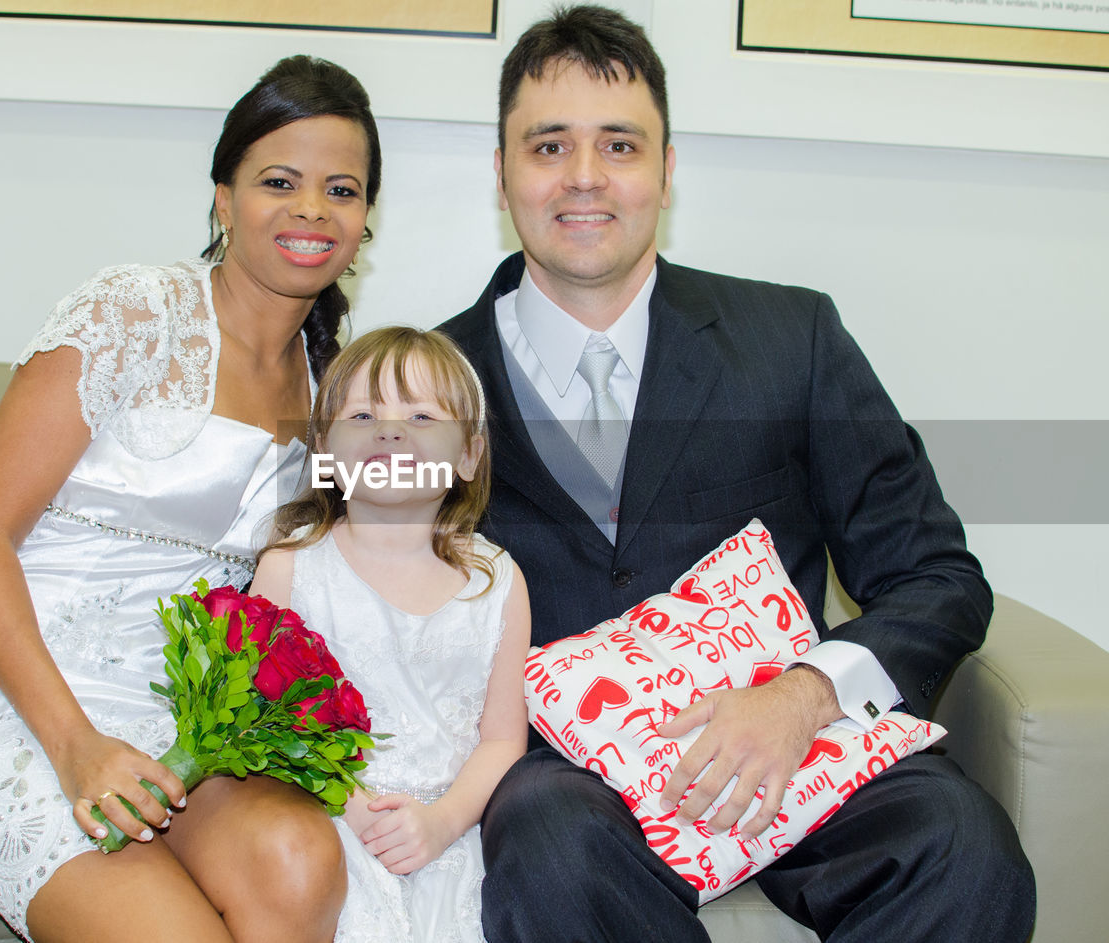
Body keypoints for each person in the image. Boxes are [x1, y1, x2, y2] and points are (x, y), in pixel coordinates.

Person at [438, 5, 1036, 942]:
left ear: (667, 171)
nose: (585, 177)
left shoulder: (791, 339)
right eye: (549, 145)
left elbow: (938, 577)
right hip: (570, 780)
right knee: (548, 850)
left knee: (964, 846)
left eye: (620, 145)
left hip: (796, 744)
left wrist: (803, 695)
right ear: (504, 171)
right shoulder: (428, 383)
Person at [0, 54, 381, 943]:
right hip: (17, 701)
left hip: (175, 717)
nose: (313, 208)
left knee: (302, 858)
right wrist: (75, 747)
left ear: (364, 220)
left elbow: (406, 524)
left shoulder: (335, 387)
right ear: (224, 199)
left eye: (340, 189)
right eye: (279, 181)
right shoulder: (132, 314)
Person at [252, 326, 531, 943]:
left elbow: (501, 740)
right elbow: (270, 723)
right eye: (363, 413)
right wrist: (355, 814)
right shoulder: (289, 569)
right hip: (329, 825)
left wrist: (441, 824)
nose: (391, 429)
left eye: (422, 414)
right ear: (323, 450)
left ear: (468, 456)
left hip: (453, 835)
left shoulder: (497, 580)